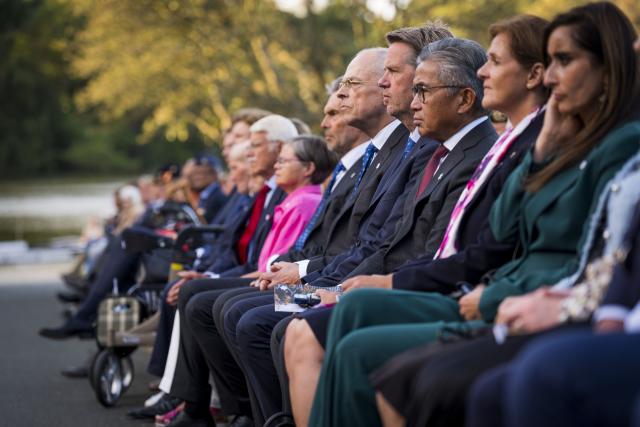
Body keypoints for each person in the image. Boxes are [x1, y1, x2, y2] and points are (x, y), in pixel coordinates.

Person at [311, 2, 640, 426]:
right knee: (349, 315)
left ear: (607, 67)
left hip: (515, 294)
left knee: (371, 351)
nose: (484, 70)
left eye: (565, 60)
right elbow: (503, 230)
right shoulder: (544, 144)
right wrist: (540, 153)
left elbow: (577, 254)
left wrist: (500, 297)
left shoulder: (611, 145)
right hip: (503, 289)